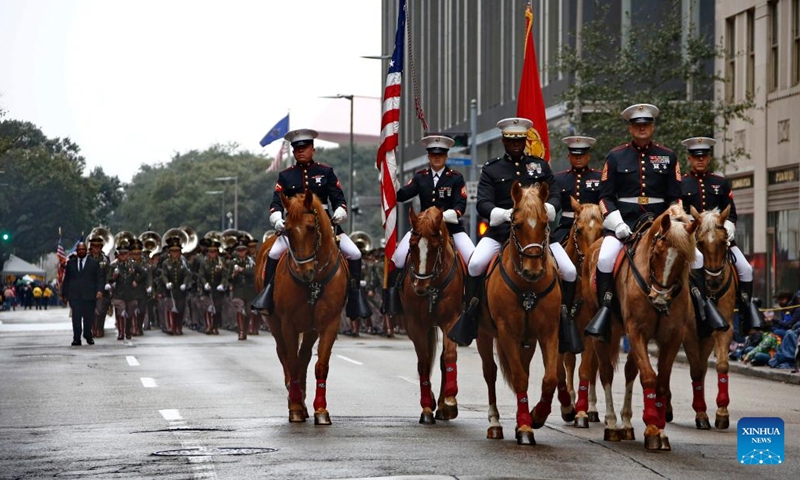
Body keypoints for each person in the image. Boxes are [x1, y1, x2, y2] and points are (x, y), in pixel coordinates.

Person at [584, 104, 726, 342]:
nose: (642, 129)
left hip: (663, 225)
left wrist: (675, 212)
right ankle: (606, 309)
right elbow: (605, 196)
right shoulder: (616, 156)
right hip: (625, 224)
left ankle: (703, 309)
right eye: (638, 125)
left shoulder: (668, 156)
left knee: (698, 258)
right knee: (605, 257)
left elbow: (675, 195)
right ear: (630, 128)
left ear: (652, 127)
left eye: (646, 125)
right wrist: (616, 222)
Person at [448, 117, 581, 352]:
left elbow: (555, 196)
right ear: (504, 141)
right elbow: (483, 203)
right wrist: (505, 214)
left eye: (520, 140)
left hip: (536, 236)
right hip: (501, 233)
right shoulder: (492, 169)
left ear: (525, 140)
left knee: (569, 271)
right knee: (475, 264)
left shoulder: (540, 166)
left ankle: (565, 320)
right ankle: (470, 315)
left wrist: (546, 210)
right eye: (511, 141)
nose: (516, 144)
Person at [253, 128, 371, 322]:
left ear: (312, 149)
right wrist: (277, 218)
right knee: (273, 253)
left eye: (305, 147)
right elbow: (276, 202)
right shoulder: (285, 175)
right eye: (297, 148)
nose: (301, 151)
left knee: (355, 254)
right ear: (293, 152)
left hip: (324, 226)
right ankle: (267, 297)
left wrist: (340, 211)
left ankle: (354, 299)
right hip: (295, 228)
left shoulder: (325, 172)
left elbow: (338, 199)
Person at [681, 136, 763, 334]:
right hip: (694, 241)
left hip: (720, 239)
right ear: (689, 159)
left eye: (704, 156)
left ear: (709, 158)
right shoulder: (681, 183)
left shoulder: (721, 182)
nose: (700, 159)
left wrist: (729, 227)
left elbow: (731, 211)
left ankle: (746, 315)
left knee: (746, 269)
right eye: (695, 156)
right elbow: (679, 212)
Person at [387, 134, 475, 315]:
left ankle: (473, 303)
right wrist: (392, 180)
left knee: (473, 261)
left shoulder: (455, 178)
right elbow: (402, 195)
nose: (437, 158)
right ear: (428, 156)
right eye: (433, 154)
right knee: (398, 258)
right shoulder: (421, 177)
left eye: (441, 155)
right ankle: (394, 302)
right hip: (423, 230)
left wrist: (445, 217)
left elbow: (461, 205)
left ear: (446, 156)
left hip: (451, 228)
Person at [552, 136, 602, 244]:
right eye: (575, 155)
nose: (578, 158)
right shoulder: (558, 179)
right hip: (566, 227)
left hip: (594, 227)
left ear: (588, 157)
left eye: (582, 155)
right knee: (551, 251)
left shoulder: (600, 177)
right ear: (568, 157)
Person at [60, 241, 103, 346]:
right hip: (75, 296)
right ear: (77, 251)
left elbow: (99, 278)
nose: (81, 251)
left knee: (88, 318)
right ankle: (76, 338)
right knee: (76, 318)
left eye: (83, 249)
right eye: (79, 250)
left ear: (86, 250)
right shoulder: (71, 263)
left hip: (89, 295)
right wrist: (64, 294)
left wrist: (99, 290)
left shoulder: (93, 263)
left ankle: (88, 335)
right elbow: (67, 280)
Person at [107, 239, 145, 340]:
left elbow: (143, 273)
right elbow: (108, 278)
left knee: (129, 314)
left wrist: (136, 280)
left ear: (128, 254)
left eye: (125, 254)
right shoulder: (114, 265)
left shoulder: (133, 264)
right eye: (121, 254)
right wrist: (113, 278)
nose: (123, 256)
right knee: (120, 312)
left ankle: (128, 330)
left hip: (131, 293)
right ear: (118, 255)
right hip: (119, 293)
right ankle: (121, 332)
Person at [160, 236, 192, 335]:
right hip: (170, 290)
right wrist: (166, 283)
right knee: (170, 308)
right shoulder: (166, 263)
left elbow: (188, 274)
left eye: (177, 251)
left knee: (180, 309)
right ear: (169, 252)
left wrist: (185, 283)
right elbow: (163, 274)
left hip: (181, 289)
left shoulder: (183, 262)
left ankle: (178, 327)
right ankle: (171, 327)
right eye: (173, 251)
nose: (175, 253)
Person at [228, 238, 257, 340]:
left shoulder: (252, 261)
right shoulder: (233, 263)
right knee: (239, 309)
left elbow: (254, 273)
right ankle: (240, 331)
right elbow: (229, 278)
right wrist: (233, 275)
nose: (241, 252)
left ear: (246, 251)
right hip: (238, 290)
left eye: (243, 250)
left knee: (249, 312)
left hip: (249, 290)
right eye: (239, 250)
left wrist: (242, 270)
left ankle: (245, 330)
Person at [198, 239, 227, 335]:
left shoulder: (220, 262)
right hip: (207, 288)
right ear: (208, 252)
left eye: (214, 251)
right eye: (211, 251)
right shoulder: (204, 262)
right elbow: (201, 275)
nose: (213, 253)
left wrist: (222, 284)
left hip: (217, 288)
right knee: (208, 307)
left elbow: (224, 275)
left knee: (217, 308)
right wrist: (204, 283)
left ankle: (215, 326)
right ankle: (208, 326)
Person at [88, 235, 111, 338]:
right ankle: (92, 329)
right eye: (94, 246)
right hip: (89, 288)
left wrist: (106, 286)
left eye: (98, 246)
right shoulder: (86, 258)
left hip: (102, 288)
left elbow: (108, 274)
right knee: (90, 311)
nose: (96, 248)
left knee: (100, 311)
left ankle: (99, 328)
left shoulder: (105, 259)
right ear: (91, 246)